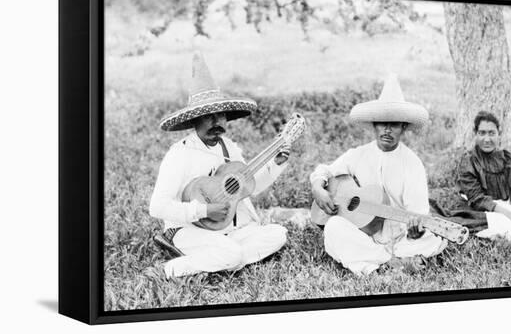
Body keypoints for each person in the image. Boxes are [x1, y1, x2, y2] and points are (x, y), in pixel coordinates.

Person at [150, 52, 289, 278]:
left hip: (225, 230)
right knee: (233, 254)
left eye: (221, 115)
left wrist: (276, 164)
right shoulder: (179, 154)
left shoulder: (229, 147)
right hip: (188, 229)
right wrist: (205, 210)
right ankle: (168, 269)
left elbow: (245, 188)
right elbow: (157, 207)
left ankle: (218, 258)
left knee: (278, 234)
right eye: (208, 117)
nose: (217, 123)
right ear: (194, 120)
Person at [310, 74, 447, 276]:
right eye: (382, 123)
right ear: (374, 125)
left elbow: (418, 213)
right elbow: (325, 170)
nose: (387, 130)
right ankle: (392, 262)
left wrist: (416, 231)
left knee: (431, 240)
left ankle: (373, 262)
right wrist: (317, 188)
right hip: (365, 233)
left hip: (401, 237)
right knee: (333, 227)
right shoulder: (358, 154)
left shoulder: (412, 163)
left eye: (394, 124)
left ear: (404, 127)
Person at [455, 110, 511, 243]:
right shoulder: (469, 161)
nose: (487, 139)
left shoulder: (507, 159)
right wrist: (510, 215)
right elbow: (477, 199)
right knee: (508, 228)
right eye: (482, 133)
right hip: (479, 210)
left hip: (503, 206)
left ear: (499, 134)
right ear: (475, 134)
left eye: (491, 133)